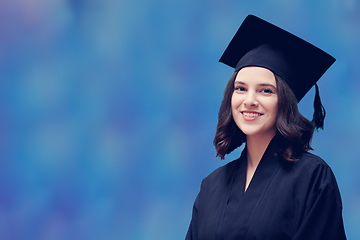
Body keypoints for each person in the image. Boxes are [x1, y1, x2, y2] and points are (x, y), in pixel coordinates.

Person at [185, 15, 347, 240]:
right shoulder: (211, 186)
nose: (249, 100)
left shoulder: (312, 177)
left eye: (265, 90)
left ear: (285, 102)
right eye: (240, 88)